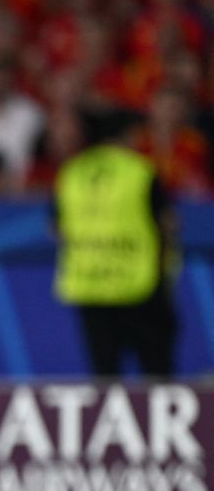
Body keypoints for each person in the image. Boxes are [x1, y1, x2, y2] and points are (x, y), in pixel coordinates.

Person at [53, 115, 178, 377]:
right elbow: (168, 224)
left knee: (105, 375)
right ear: (129, 135)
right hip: (140, 285)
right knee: (156, 374)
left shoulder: (72, 172)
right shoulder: (141, 171)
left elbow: (57, 229)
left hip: (90, 285)